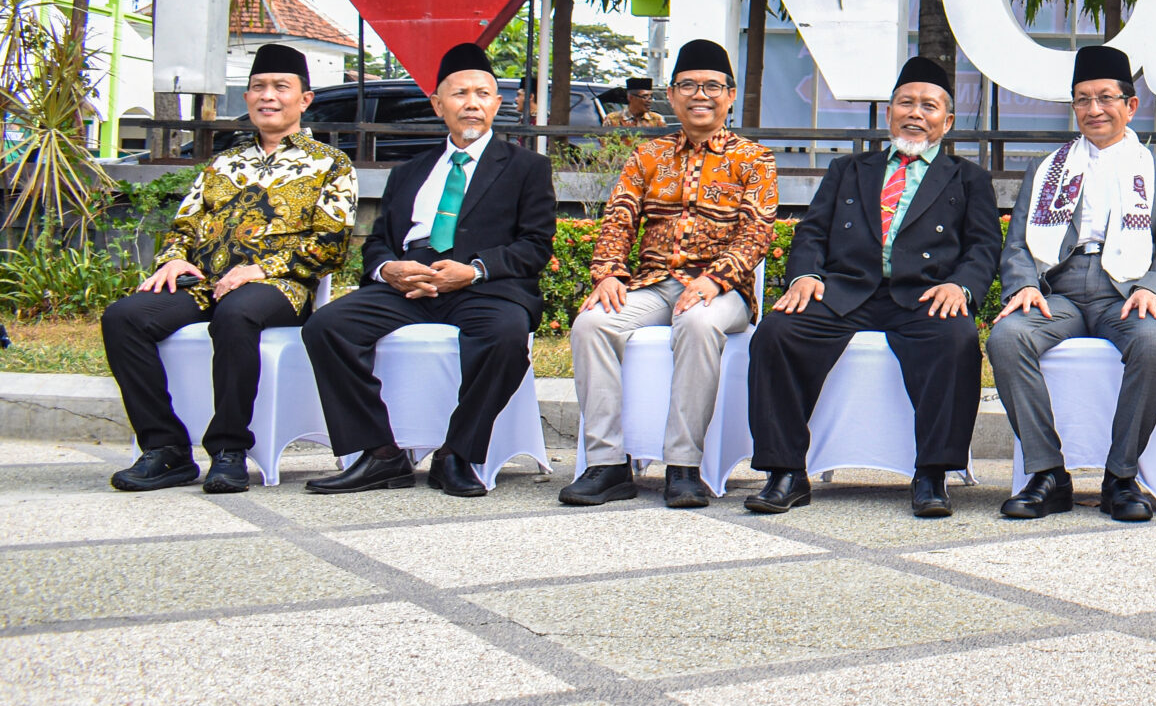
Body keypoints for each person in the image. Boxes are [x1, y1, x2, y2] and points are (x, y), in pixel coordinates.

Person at [740, 56, 999, 518]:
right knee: (777, 334)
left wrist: (961, 286)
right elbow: (811, 231)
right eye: (906, 103)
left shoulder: (969, 179)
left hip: (923, 295)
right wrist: (803, 276)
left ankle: (932, 475)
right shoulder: (848, 169)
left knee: (957, 339)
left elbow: (983, 246)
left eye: (929, 106)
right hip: (845, 290)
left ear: (948, 121)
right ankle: (785, 472)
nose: (916, 113)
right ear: (889, 113)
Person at [301, 42, 559, 497]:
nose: (472, 103)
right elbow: (379, 240)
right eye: (460, 94)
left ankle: (456, 454)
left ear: (498, 105)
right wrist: (388, 271)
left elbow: (534, 245)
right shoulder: (410, 171)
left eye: (483, 93)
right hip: (411, 282)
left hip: (483, 286)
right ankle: (380, 453)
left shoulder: (527, 168)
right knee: (327, 326)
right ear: (438, 105)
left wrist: (474, 270)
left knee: (504, 338)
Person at [101, 45, 356, 493]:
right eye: (258, 87)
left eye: (281, 87)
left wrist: (260, 270)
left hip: (280, 288)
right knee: (123, 318)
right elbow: (185, 225)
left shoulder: (330, 164)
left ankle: (228, 448)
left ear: (305, 99)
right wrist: (174, 258)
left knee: (237, 311)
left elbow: (331, 246)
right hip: (207, 285)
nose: (267, 96)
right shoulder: (222, 163)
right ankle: (166, 450)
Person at [557, 40, 777, 510]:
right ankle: (607, 465)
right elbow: (619, 218)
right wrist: (609, 275)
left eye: (713, 86)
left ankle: (683, 467)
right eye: (688, 86)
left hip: (723, 291)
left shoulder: (755, 159)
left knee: (698, 323)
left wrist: (715, 279)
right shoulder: (648, 156)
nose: (701, 95)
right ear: (672, 96)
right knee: (591, 324)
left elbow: (757, 232)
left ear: (730, 95)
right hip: (653, 285)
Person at [987, 44, 1156, 522]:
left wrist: (1153, 289)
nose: (1094, 109)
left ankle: (1120, 477)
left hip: (1126, 291)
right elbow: (1016, 244)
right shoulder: (1047, 168)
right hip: (1057, 290)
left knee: (1153, 340)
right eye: (1082, 99)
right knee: (1007, 337)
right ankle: (1047, 474)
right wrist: (1023, 286)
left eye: (1105, 98)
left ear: (1130, 105)